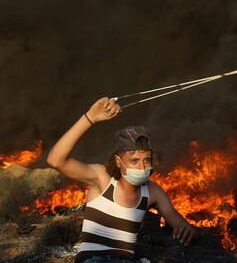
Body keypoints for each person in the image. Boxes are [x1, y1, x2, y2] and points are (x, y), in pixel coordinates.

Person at [47, 97, 196, 263]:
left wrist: (186, 229)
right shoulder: (102, 179)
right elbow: (55, 160)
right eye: (134, 161)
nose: (141, 167)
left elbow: (179, 223)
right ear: (118, 161)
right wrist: (90, 117)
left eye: (146, 160)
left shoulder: (153, 192)